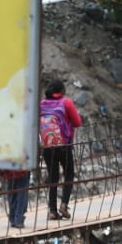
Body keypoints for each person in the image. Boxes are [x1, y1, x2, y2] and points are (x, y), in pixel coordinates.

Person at [40, 79, 83, 219]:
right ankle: (64, 204)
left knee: (53, 177)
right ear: (62, 91)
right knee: (69, 173)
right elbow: (77, 122)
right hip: (63, 145)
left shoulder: (41, 104)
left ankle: (52, 211)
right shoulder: (66, 103)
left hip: (47, 146)